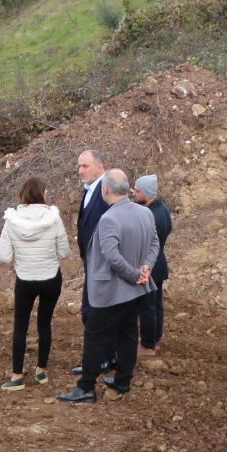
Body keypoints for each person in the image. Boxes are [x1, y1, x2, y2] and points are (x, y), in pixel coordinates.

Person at [58, 169, 157, 403]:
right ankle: (123, 381)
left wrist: (135, 274)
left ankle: (86, 388)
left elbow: (111, 256)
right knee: (128, 333)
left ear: (105, 190)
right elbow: (154, 242)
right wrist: (146, 267)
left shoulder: (110, 218)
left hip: (113, 291)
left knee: (95, 336)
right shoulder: (145, 213)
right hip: (138, 289)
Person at [0, 176, 70, 390]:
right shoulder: (54, 219)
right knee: (44, 324)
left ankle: (17, 376)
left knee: (20, 327)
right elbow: (64, 252)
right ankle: (41, 372)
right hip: (50, 279)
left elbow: (4, 257)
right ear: (42, 194)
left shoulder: (12, 221)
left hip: (25, 280)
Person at [70, 148, 106, 374]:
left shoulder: (105, 191)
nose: (80, 170)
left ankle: (100, 360)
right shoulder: (90, 191)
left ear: (100, 167)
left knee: (95, 313)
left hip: (101, 264)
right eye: (79, 166)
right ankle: (103, 358)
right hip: (92, 263)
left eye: (85, 166)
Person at [132, 175, 172, 354]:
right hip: (160, 262)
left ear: (146, 193)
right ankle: (155, 338)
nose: (134, 193)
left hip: (150, 265)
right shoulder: (163, 208)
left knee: (147, 306)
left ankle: (147, 344)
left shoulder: (149, 214)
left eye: (137, 190)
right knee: (156, 304)